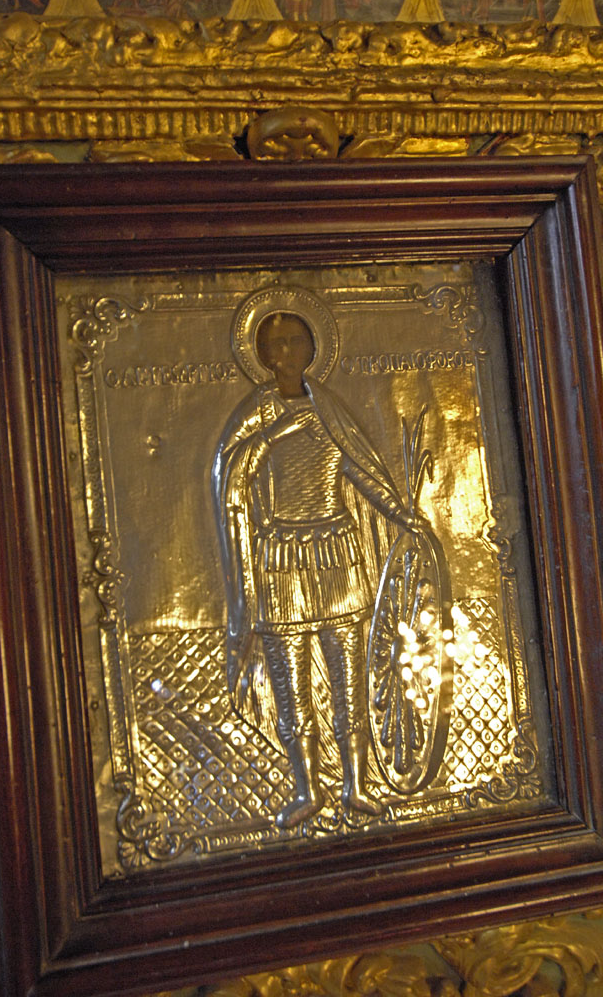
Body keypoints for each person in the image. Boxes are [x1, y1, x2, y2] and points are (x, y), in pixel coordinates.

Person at [212, 311, 414, 828]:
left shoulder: (330, 410)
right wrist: (273, 435)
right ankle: (307, 789)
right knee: (290, 686)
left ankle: (355, 785)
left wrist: (399, 511)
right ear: (261, 355)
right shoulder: (258, 412)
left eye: (295, 341)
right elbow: (231, 474)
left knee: (349, 680)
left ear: (311, 348)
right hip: (281, 559)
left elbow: (360, 467)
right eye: (275, 344)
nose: (286, 352)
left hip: (335, 555)